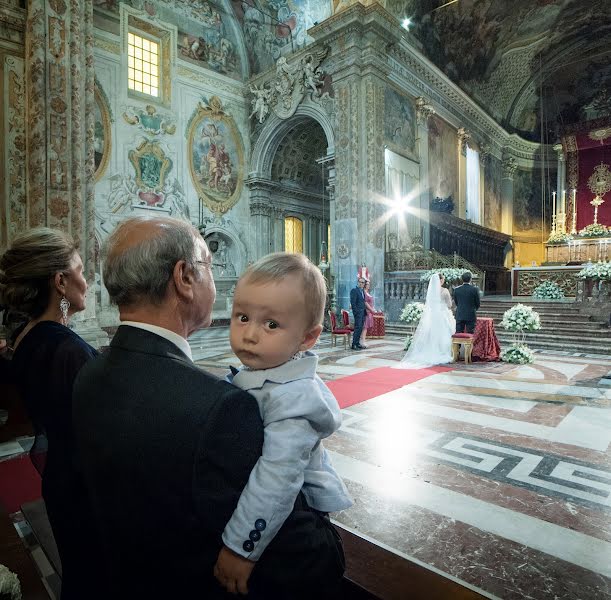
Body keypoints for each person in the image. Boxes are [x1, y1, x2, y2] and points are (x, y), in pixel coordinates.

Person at [72, 217, 345, 599]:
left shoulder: (90, 373)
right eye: (209, 267)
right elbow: (305, 557)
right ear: (184, 277)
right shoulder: (219, 409)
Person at [215, 252, 351, 595]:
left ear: (307, 338)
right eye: (242, 317)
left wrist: (240, 547)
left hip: (294, 524)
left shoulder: (294, 399)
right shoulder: (265, 372)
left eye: (271, 324)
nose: (250, 334)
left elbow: (277, 480)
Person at [0, 228, 103, 600]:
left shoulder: (27, 335)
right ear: (61, 281)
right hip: (84, 489)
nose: (86, 281)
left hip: (61, 479)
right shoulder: (66, 350)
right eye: (80, 270)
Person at [397, 273, 455, 368]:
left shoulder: (431, 291)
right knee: (444, 333)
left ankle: (431, 350)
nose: (443, 281)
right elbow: (449, 305)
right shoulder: (445, 291)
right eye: (443, 279)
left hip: (433, 316)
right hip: (442, 315)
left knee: (432, 334)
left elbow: (430, 304)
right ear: (440, 280)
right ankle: (443, 352)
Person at [349, 276, 366, 350]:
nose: (361, 284)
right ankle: (353, 344)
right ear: (358, 282)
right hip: (358, 313)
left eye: (363, 282)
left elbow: (362, 302)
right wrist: (356, 312)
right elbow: (353, 303)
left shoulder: (362, 291)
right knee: (357, 328)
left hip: (362, 313)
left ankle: (357, 343)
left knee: (360, 328)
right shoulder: (354, 290)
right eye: (360, 282)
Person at [360, 280, 376, 349]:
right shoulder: (364, 293)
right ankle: (362, 341)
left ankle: (363, 340)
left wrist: (374, 309)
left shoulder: (367, 292)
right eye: (367, 284)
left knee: (366, 327)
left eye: (369, 284)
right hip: (367, 311)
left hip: (370, 312)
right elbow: (365, 303)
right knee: (364, 327)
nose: (368, 286)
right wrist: (371, 310)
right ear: (365, 285)